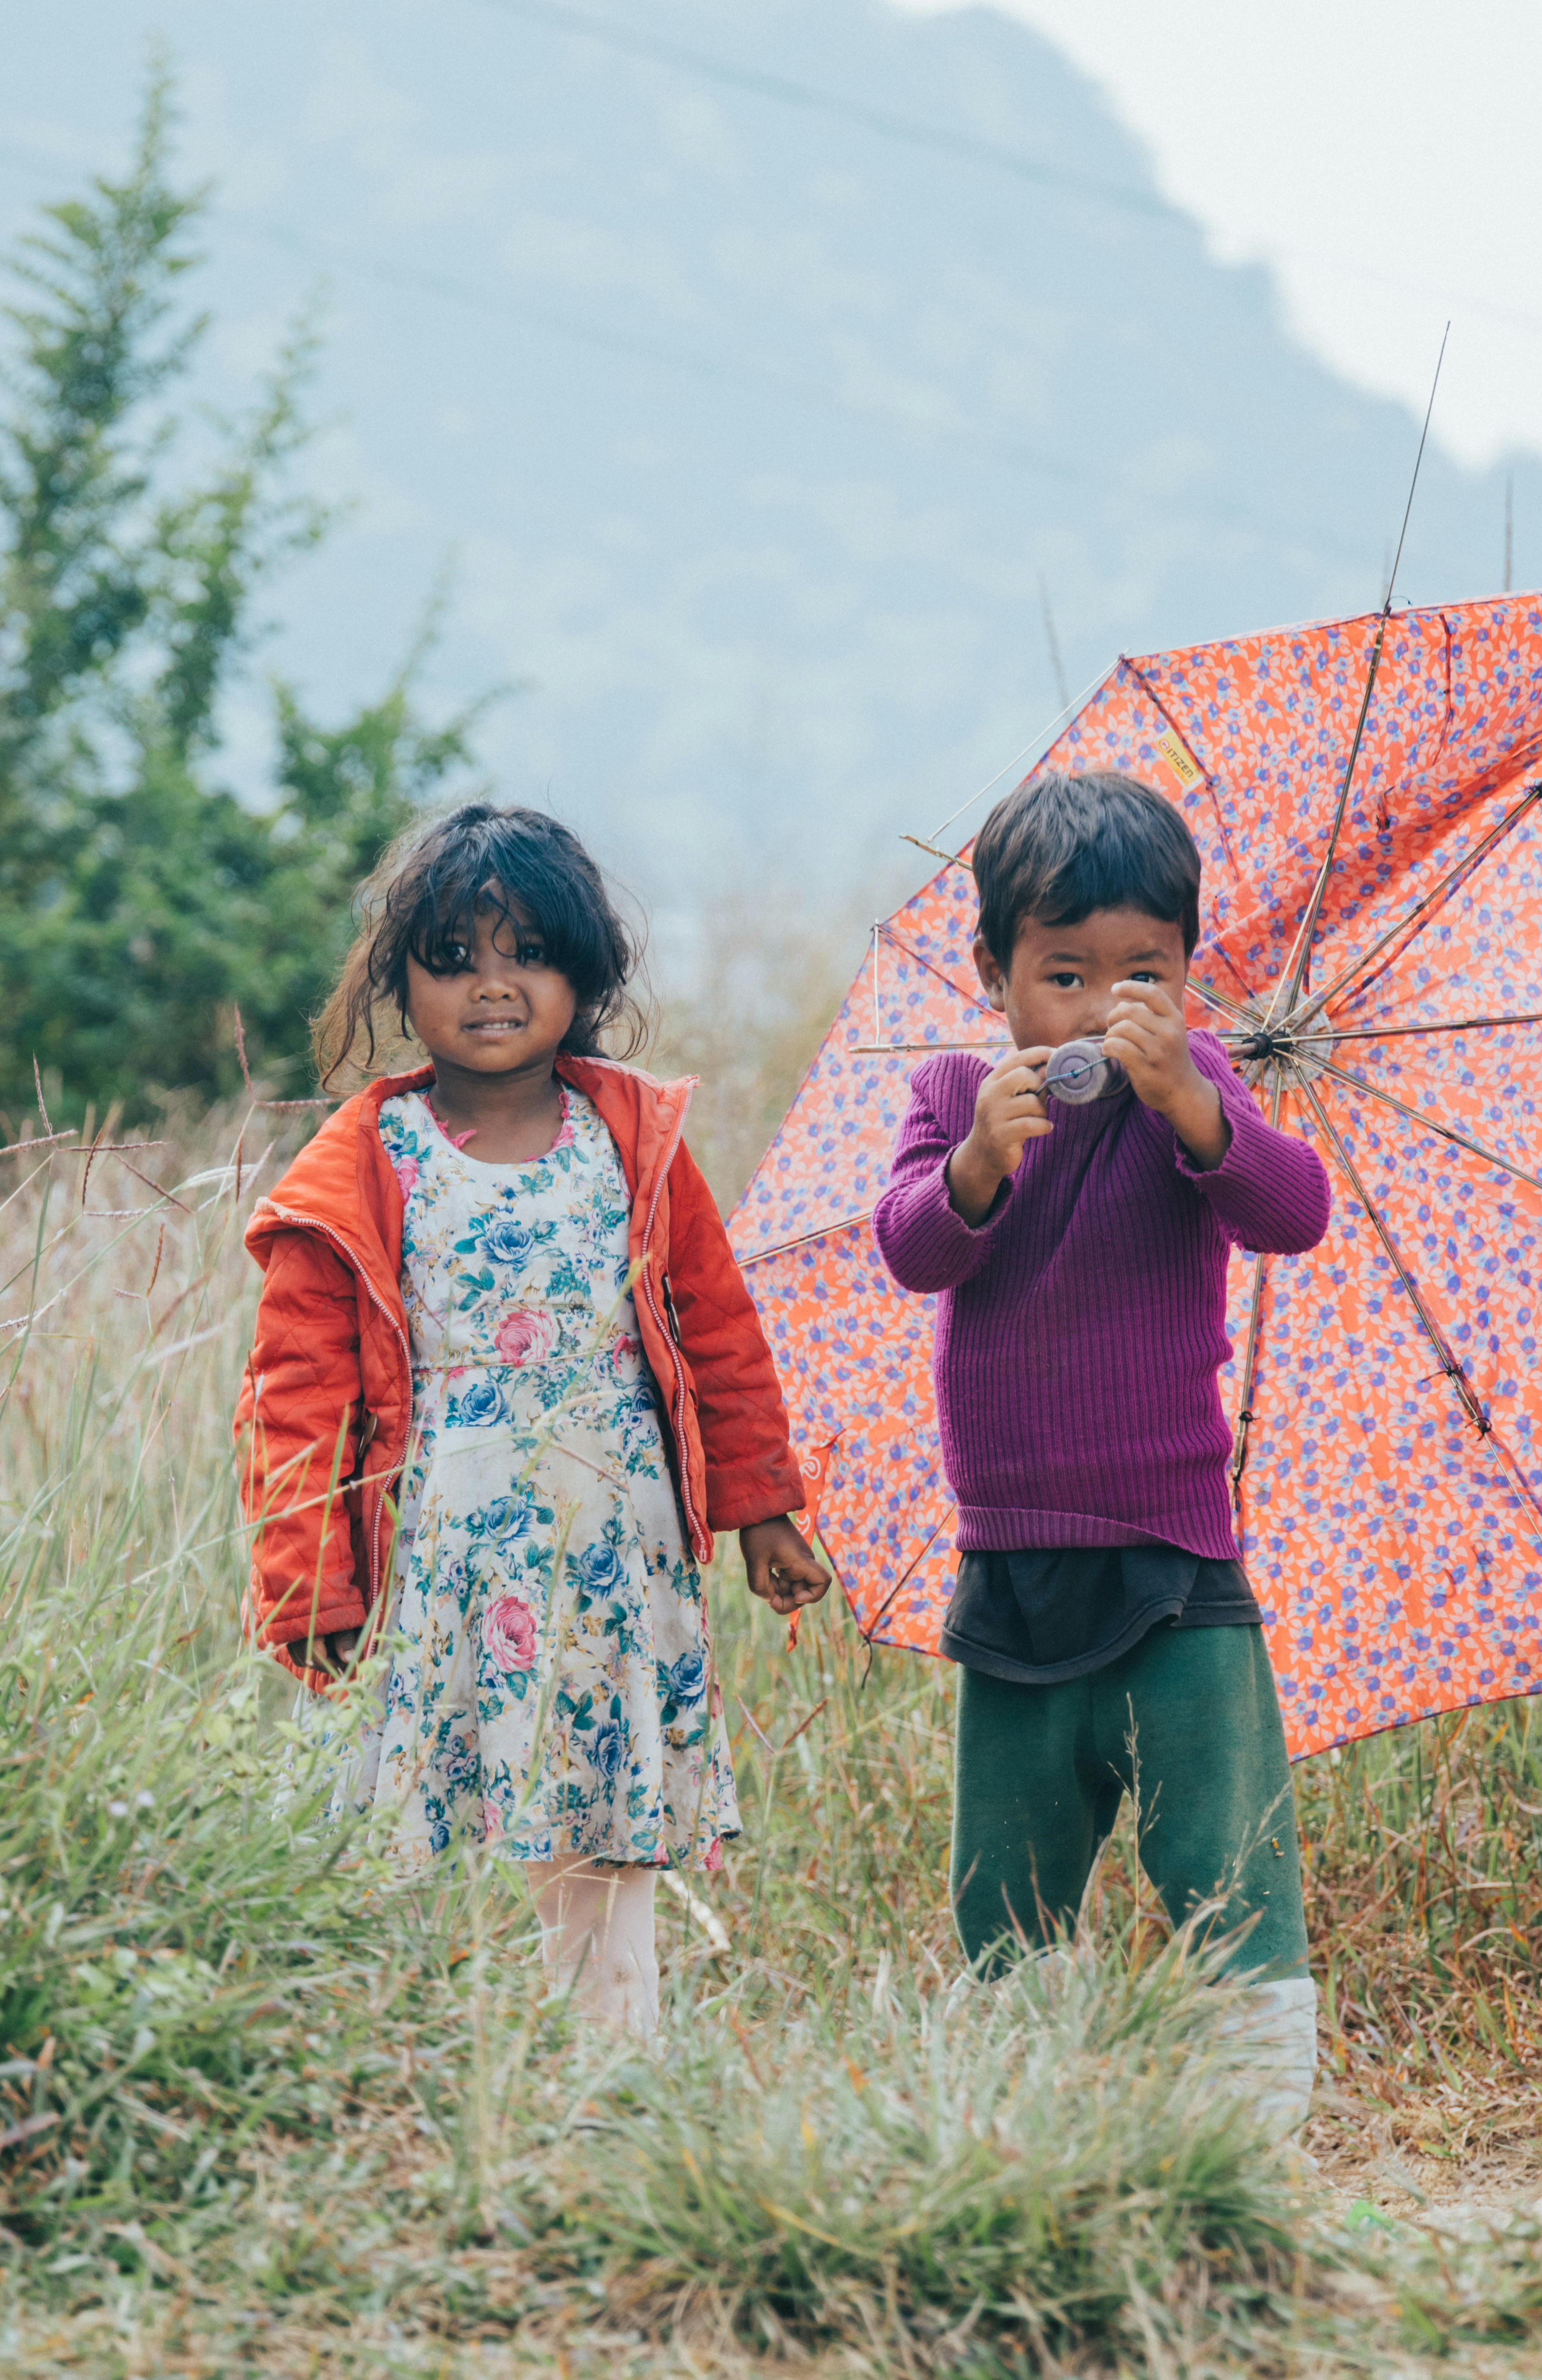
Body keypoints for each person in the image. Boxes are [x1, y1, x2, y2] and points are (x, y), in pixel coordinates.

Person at [235, 802, 828, 2035]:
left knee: (602, 1826)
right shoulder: (364, 1163)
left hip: (610, 1550)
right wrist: (308, 1585)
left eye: (528, 954)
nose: (490, 986)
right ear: (401, 980)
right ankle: (408, 2069)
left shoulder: (633, 1141)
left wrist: (763, 1505)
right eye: (452, 956)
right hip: (434, 1566)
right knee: (397, 1831)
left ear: (584, 972)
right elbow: (295, 1395)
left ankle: (615, 2077)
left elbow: (714, 1329)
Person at [872, 770, 1332, 2135]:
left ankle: (1248, 2127)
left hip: (1176, 1559)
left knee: (1222, 1852)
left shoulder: (1193, 1094)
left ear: (1190, 974)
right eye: (1063, 972)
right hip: (1011, 1558)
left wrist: (1192, 1105)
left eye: (1144, 970)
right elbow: (907, 1243)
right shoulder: (958, 1091)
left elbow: (1291, 1209)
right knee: (1006, 1874)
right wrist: (975, 1169)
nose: (1099, 1006)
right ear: (992, 974)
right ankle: (1019, 2119)